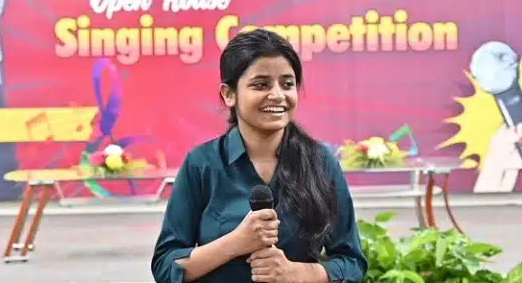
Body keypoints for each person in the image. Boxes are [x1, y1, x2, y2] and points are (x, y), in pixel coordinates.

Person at [151, 29, 367, 283]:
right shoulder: (201, 164)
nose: (277, 95)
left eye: (287, 84)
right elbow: (166, 267)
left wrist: (297, 273)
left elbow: (352, 263)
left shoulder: (321, 163)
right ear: (229, 94)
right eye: (261, 84)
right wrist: (236, 242)